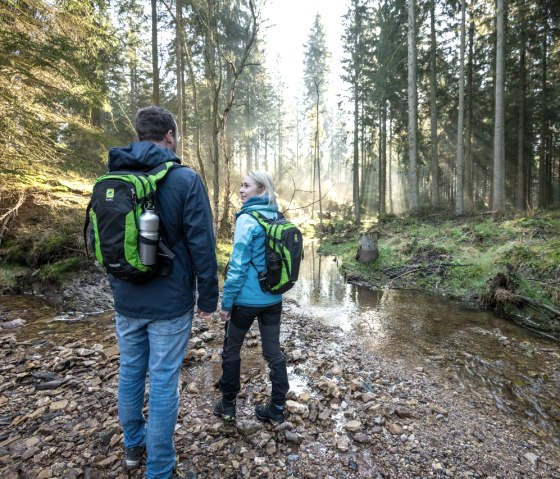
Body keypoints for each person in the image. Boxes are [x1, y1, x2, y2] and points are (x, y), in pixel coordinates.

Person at [108, 107, 218, 479]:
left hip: (126, 297)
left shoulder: (113, 176)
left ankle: (132, 449)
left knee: (130, 372)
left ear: (139, 134)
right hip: (170, 303)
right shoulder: (185, 179)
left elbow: (102, 241)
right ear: (170, 135)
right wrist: (208, 298)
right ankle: (159, 467)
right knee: (163, 379)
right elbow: (202, 242)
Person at [213, 171, 289, 424]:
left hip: (246, 302)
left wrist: (226, 304)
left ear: (261, 189)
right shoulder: (278, 215)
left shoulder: (247, 219)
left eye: (246, 186)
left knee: (231, 350)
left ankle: (228, 405)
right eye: (241, 185)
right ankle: (277, 407)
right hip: (273, 300)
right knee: (273, 353)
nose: (241, 190)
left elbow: (237, 266)